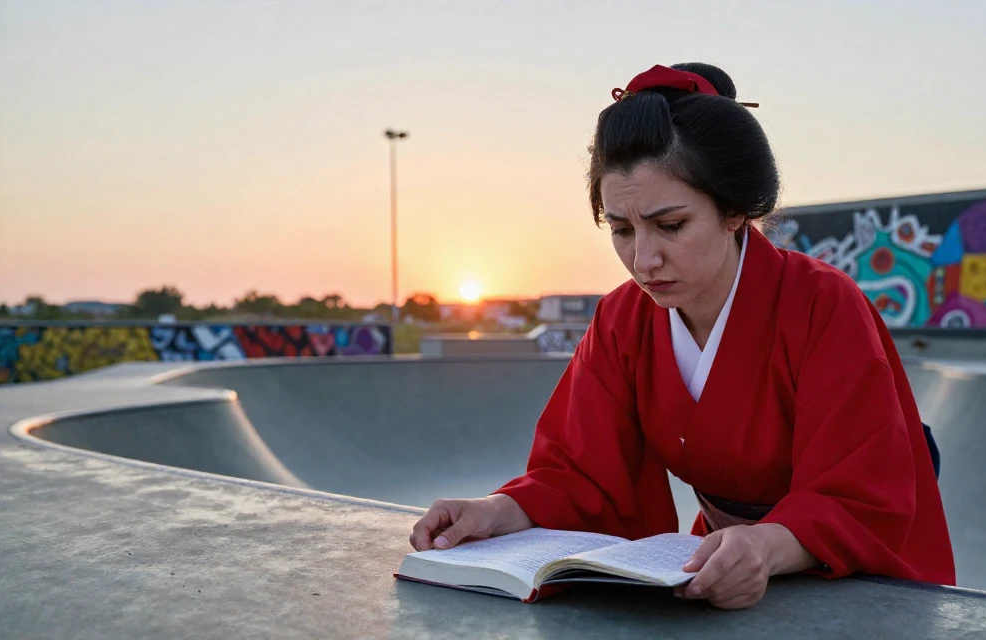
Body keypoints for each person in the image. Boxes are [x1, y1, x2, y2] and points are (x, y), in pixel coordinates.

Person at [410, 62, 956, 610]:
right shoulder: (622, 320)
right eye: (621, 230)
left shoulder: (823, 304)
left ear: (735, 210)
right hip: (731, 557)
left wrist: (765, 545)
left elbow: (859, 493)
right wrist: (495, 511)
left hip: (845, 565)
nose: (643, 260)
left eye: (670, 226)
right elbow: (581, 475)